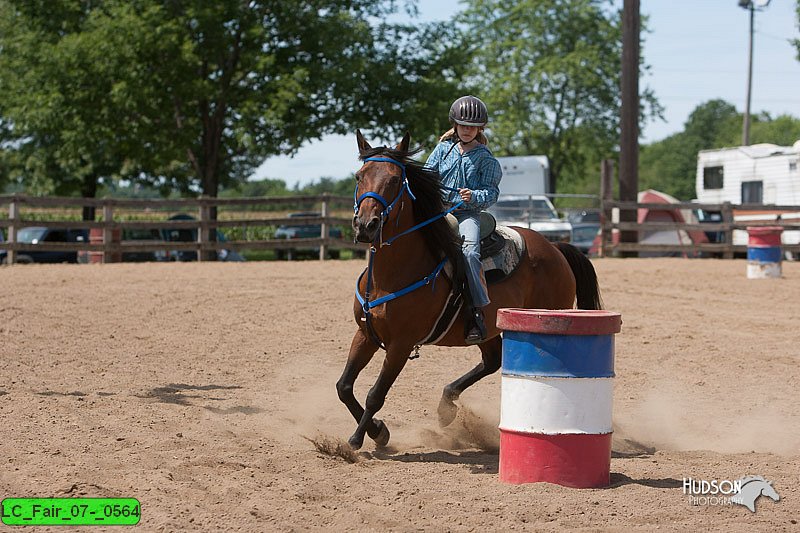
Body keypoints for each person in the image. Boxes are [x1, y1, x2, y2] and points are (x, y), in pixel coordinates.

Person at [426, 95, 502, 344]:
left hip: (467, 213)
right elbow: (428, 176)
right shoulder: (442, 150)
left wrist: (473, 196)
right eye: (463, 125)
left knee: (469, 253)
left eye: (472, 127)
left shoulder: (486, 159)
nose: (467, 130)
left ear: (480, 129)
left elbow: (492, 193)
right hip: (439, 211)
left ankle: (478, 309)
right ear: (455, 125)